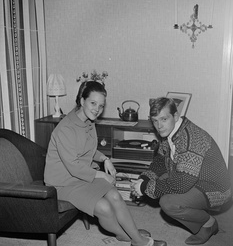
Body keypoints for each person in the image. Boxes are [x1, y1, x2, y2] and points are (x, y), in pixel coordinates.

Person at [44, 81, 167, 246]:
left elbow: (87, 149)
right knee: (104, 208)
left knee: (115, 195)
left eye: (101, 106)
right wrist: (101, 174)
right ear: (82, 100)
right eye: (93, 103)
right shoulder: (65, 128)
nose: (97, 109)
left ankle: (133, 236)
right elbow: (73, 165)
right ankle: (129, 236)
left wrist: (105, 159)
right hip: (62, 183)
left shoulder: (88, 122)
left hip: (81, 176)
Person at [131, 97, 232, 245]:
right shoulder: (170, 131)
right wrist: (144, 179)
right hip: (192, 178)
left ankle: (208, 224)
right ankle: (188, 213)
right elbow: (160, 161)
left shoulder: (190, 138)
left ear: (176, 116)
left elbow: (181, 183)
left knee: (169, 203)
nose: (159, 126)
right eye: (155, 120)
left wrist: (144, 188)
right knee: (161, 183)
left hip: (215, 188)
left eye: (163, 119)